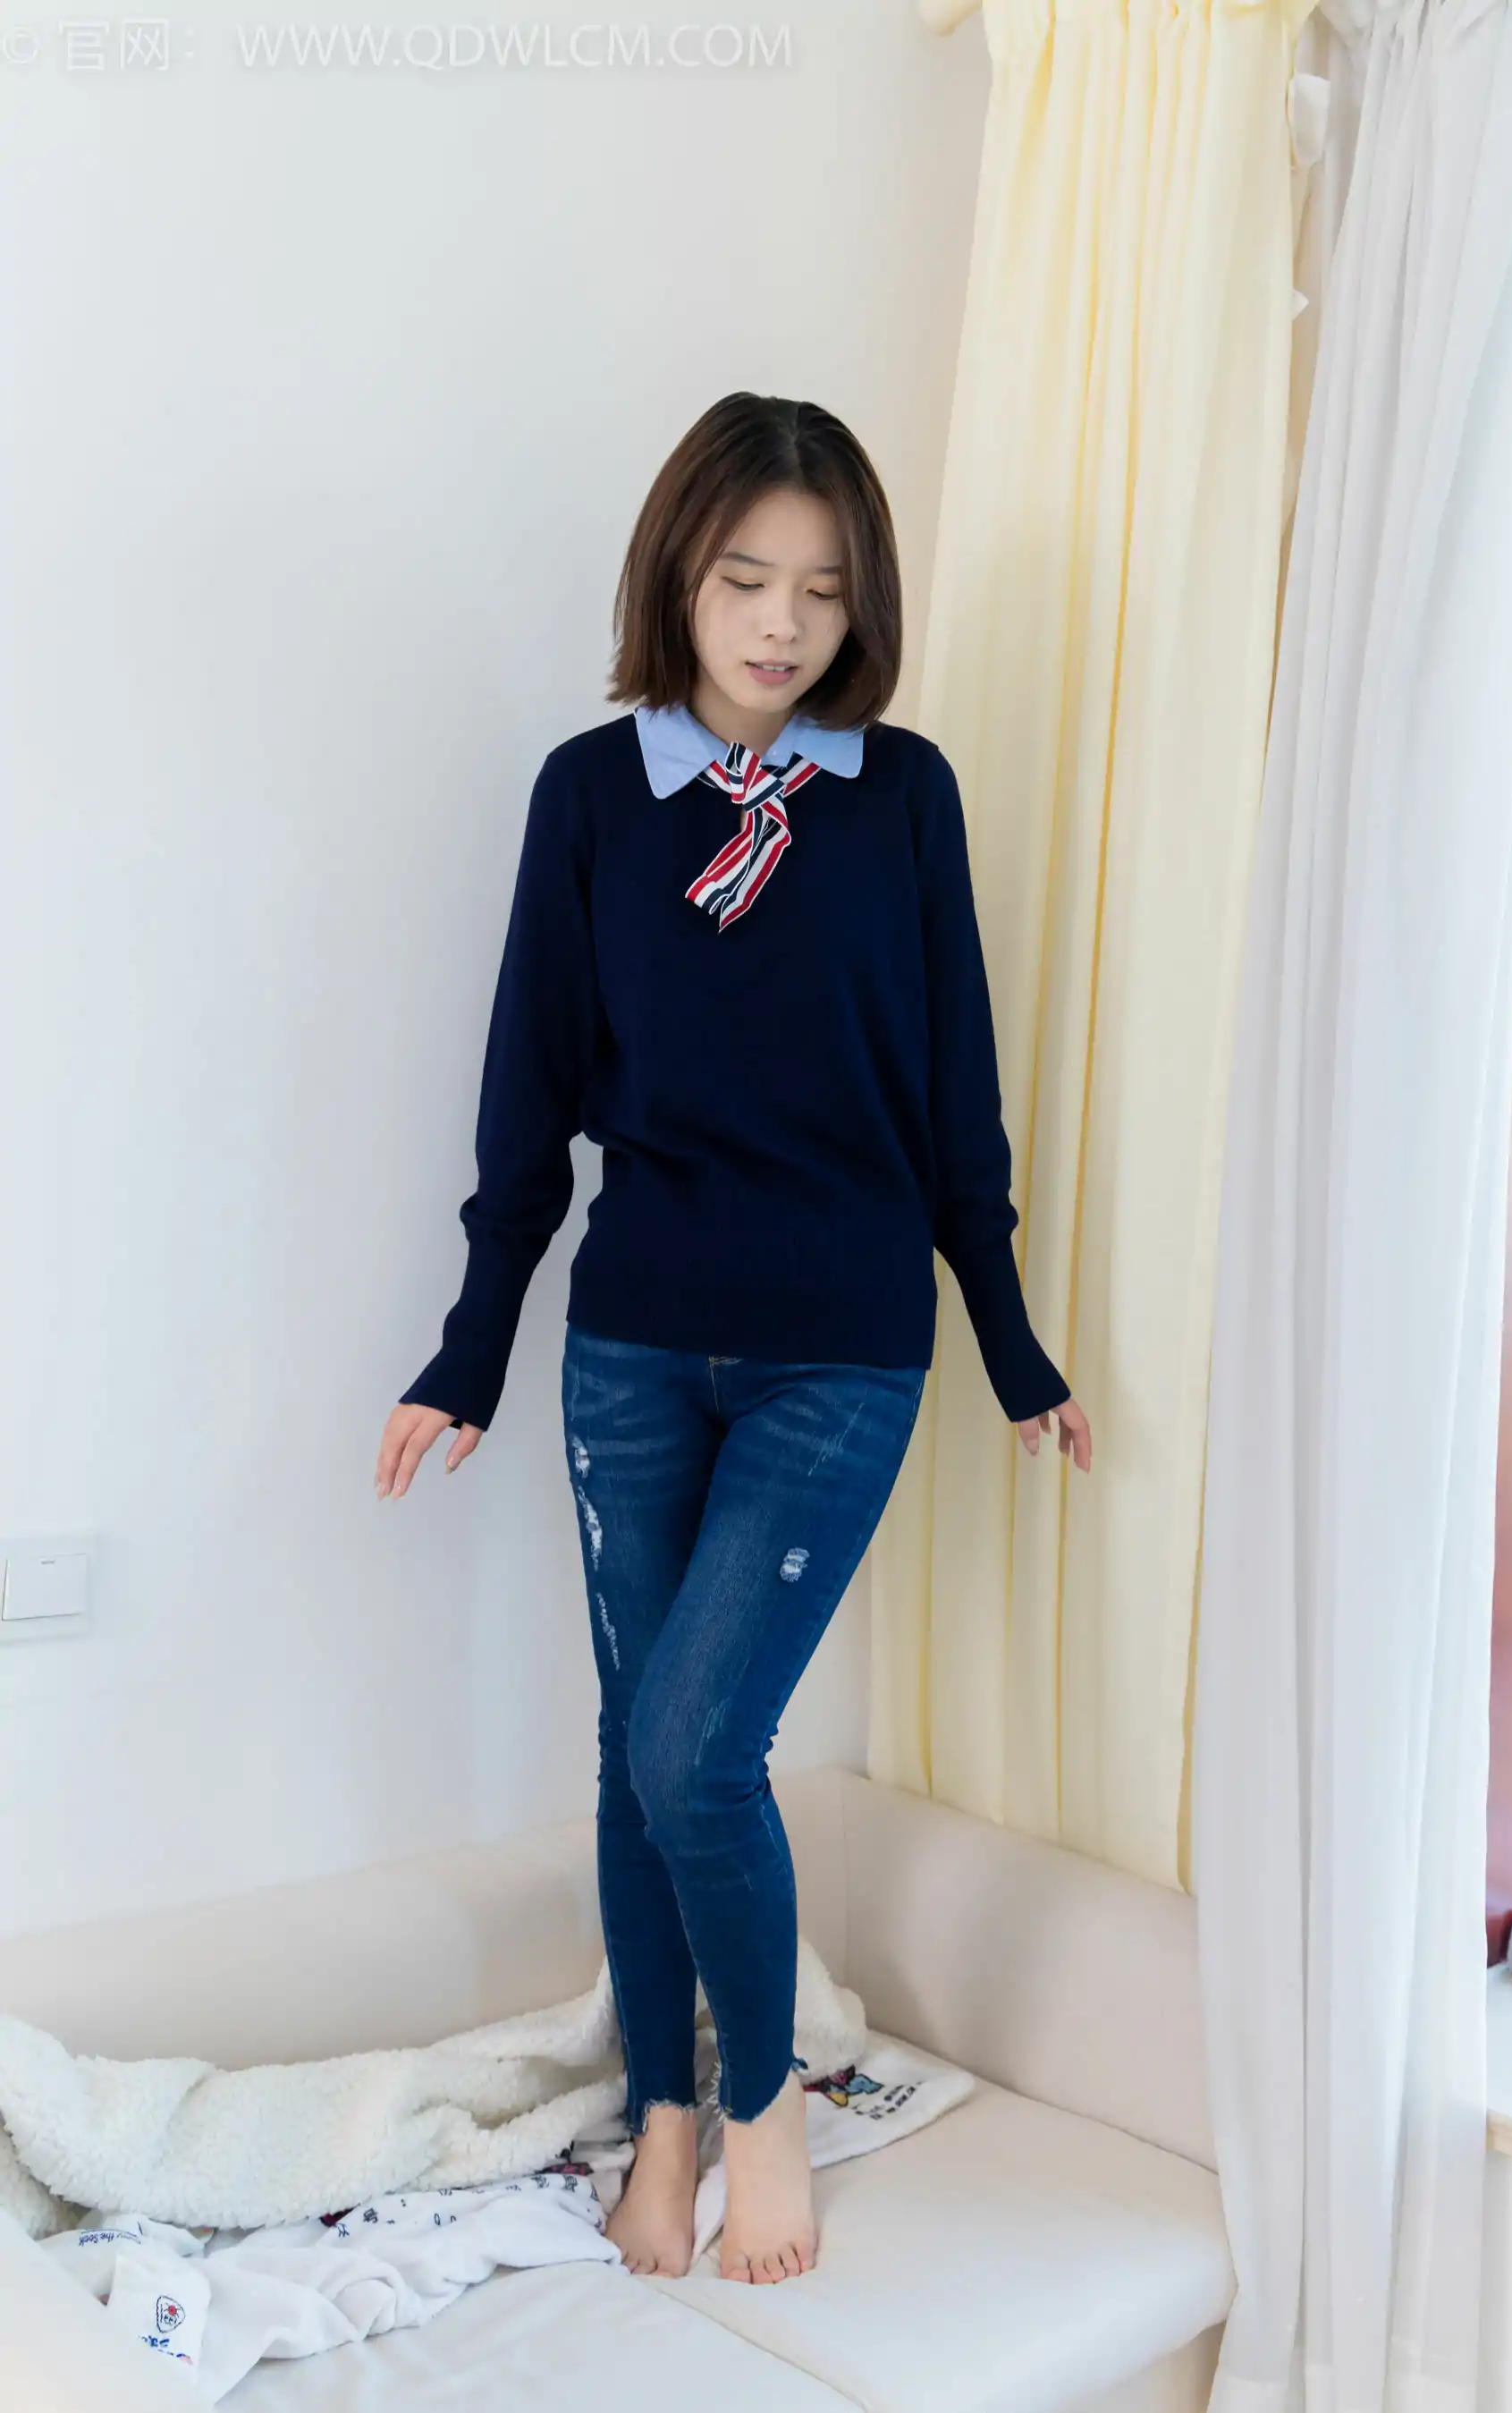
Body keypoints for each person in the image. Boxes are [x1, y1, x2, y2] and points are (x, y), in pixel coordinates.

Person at [374, 393, 1093, 2289]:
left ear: (866, 605)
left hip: (840, 1350)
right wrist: (469, 1346)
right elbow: (528, 1095)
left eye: (824, 589)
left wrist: (1010, 1335)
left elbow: (956, 1091)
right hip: (632, 1344)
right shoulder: (590, 794)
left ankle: (759, 2098)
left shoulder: (903, 796)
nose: (782, 623)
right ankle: (663, 2115)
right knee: (642, 1747)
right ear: (677, 578)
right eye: (745, 577)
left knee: (700, 1748)